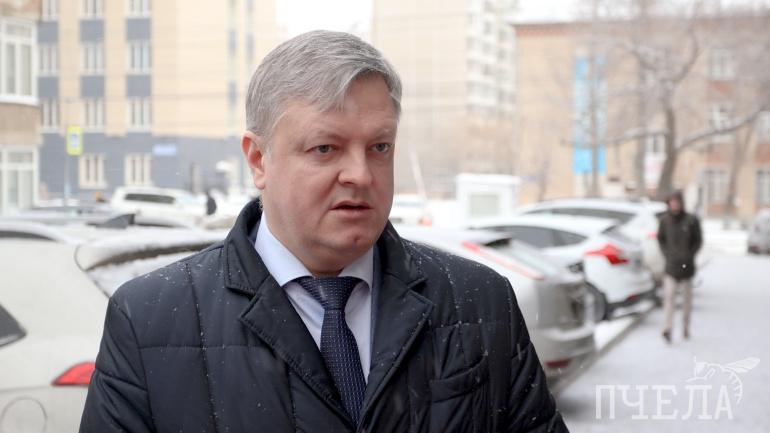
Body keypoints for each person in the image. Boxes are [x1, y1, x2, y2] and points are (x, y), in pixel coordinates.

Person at [80, 30, 567, 433]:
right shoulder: (149, 320)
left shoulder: (480, 303)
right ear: (258, 159)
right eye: (325, 148)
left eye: (379, 147)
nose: (360, 174)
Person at [657, 190, 702, 343]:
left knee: (686, 301)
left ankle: (685, 327)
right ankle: (668, 328)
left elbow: (698, 241)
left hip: (687, 267)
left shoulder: (691, 220)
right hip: (671, 267)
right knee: (669, 298)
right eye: (672, 202)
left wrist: (689, 255)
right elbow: (661, 240)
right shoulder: (665, 221)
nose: (674, 204)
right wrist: (667, 254)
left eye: (677, 202)